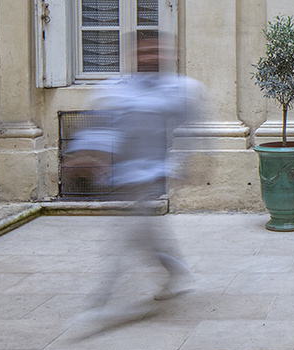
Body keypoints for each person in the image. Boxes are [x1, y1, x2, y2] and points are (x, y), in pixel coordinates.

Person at [74, 32, 203, 326]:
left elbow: (194, 127)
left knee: (125, 235)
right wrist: (87, 155)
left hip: (152, 175)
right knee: (146, 234)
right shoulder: (120, 89)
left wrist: (191, 162)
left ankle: (98, 303)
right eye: (144, 52)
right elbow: (100, 121)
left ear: (167, 55)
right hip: (123, 175)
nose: (150, 57)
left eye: (156, 51)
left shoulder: (178, 89)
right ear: (133, 55)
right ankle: (177, 272)